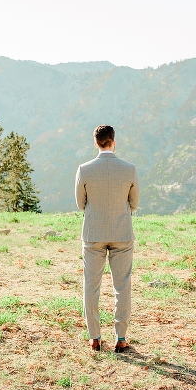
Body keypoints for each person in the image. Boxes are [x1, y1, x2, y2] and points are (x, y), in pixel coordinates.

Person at [75, 124, 139, 353]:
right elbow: (134, 203)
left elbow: (80, 203)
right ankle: (121, 338)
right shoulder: (129, 169)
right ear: (114, 141)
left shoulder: (84, 169)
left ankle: (95, 337)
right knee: (122, 287)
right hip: (122, 234)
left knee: (91, 286)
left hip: (93, 234)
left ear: (95, 143)